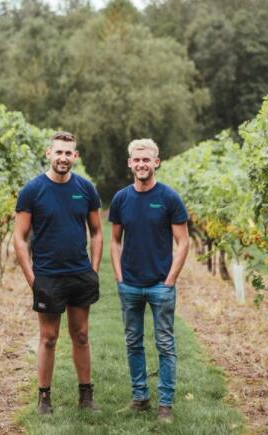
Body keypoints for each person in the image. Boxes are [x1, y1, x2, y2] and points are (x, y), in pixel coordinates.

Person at [13, 131, 103, 415]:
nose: (63, 157)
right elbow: (20, 237)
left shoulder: (86, 189)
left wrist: (94, 269)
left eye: (69, 153)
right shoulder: (32, 190)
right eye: (59, 152)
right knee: (48, 337)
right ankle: (44, 398)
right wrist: (33, 279)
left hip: (79, 274)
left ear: (74, 156)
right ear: (48, 153)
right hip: (48, 276)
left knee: (81, 335)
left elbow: (97, 232)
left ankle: (86, 396)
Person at [109, 138, 190, 423]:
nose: (141, 164)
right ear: (130, 163)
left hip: (160, 285)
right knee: (133, 343)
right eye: (136, 159)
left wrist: (170, 280)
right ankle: (140, 397)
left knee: (165, 345)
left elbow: (183, 242)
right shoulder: (121, 199)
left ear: (156, 162)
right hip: (129, 284)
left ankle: (165, 405)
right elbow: (115, 241)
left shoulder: (169, 198)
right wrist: (119, 277)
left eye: (147, 159)